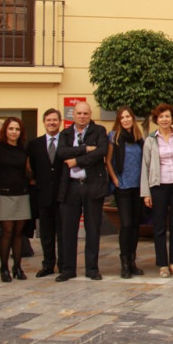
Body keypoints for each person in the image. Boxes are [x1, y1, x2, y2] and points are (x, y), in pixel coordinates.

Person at [56, 101, 109, 281]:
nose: (82, 117)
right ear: (73, 115)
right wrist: (85, 149)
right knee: (68, 230)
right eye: (79, 113)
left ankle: (92, 269)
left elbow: (101, 151)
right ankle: (68, 269)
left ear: (90, 114)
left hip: (92, 185)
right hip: (70, 187)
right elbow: (62, 153)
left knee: (93, 229)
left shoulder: (99, 131)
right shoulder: (65, 133)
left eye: (85, 114)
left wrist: (76, 160)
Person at [142, 103, 173, 278]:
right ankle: (162, 263)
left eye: (167, 116)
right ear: (157, 119)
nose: (164, 119)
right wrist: (146, 192)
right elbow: (145, 167)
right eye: (161, 116)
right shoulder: (151, 139)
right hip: (159, 185)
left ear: (172, 118)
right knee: (160, 226)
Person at [106, 106, 145, 279]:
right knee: (126, 224)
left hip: (137, 187)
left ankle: (132, 262)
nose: (126, 120)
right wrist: (115, 179)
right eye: (122, 117)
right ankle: (124, 264)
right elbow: (108, 161)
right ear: (119, 120)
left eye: (128, 116)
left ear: (133, 118)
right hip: (122, 186)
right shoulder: (113, 137)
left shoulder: (138, 138)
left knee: (136, 225)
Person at [0, 117, 31, 282]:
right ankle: (4, 268)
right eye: (11, 129)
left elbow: (28, 170)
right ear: (5, 131)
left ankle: (17, 266)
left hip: (22, 193)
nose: (14, 132)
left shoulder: (23, 149)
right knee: (7, 232)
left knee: (18, 233)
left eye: (17, 129)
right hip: (4, 194)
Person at [27, 109, 64, 279]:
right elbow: (31, 168)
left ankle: (64, 265)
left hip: (63, 195)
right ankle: (48, 264)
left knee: (63, 233)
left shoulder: (66, 141)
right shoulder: (34, 144)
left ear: (60, 122)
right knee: (47, 234)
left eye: (55, 120)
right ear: (44, 122)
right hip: (43, 195)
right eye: (48, 120)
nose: (52, 123)